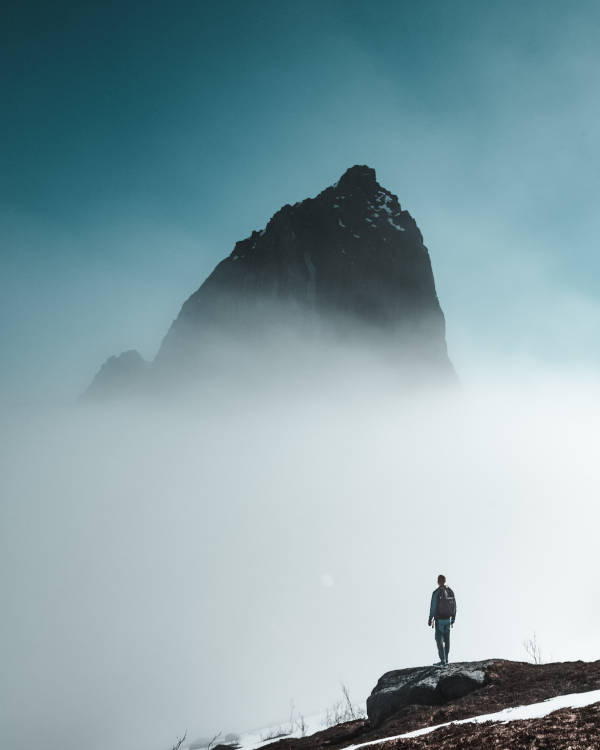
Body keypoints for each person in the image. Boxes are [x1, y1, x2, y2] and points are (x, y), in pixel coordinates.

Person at [428, 574, 456, 667]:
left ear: (438, 581)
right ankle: (446, 660)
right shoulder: (450, 591)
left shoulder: (436, 592)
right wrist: (453, 618)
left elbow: (433, 607)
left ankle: (443, 661)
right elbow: (454, 605)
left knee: (439, 640)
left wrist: (430, 618)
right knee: (447, 640)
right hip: (448, 619)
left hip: (439, 620)